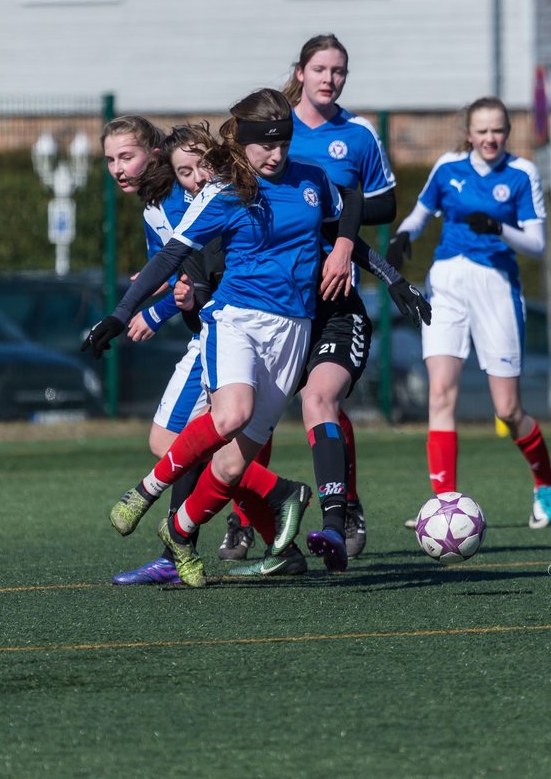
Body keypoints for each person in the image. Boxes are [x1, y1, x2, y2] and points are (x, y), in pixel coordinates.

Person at [84, 88, 429, 587]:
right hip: (237, 319)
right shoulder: (223, 193)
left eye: (284, 143)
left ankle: (179, 536)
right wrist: (121, 314)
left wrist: (383, 271)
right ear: (243, 143)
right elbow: (170, 257)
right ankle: (145, 491)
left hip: (294, 331)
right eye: (265, 145)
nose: (277, 154)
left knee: (228, 466)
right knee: (230, 413)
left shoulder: (309, 179)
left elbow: (350, 203)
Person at [100, 116, 313, 585]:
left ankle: (184, 543)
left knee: (176, 445)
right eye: (111, 159)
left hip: (234, 329)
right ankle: (267, 527)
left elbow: (208, 273)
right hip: (219, 330)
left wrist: (153, 312)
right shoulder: (155, 208)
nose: (118, 168)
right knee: (197, 449)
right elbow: (181, 279)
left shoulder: (194, 194)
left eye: (127, 156)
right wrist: (162, 297)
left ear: (155, 155)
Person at [387, 96, 551, 530]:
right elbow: (420, 214)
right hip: (446, 284)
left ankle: (546, 478)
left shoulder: (522, 174)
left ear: (508, 132)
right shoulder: (448, 168)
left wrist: (499, 228)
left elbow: (537, 245)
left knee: (507, 410)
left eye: (498, 130)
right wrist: (403, 237)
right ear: (469, 133)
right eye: (482, 130)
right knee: (440, 394)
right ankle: (443, 505)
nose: (490, 138)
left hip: (496, 289)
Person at [279, 32, 399, 560]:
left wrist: (340, 228)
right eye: (321, 69)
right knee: (248, 406)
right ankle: (241, 516)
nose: (330, 79)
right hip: (277, 290)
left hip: (333, 289)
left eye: (339, 71)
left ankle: (342, 507)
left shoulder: (357, 134)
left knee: (319, 398)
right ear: (301, 72)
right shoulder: (272, 128)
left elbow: (385, 204)